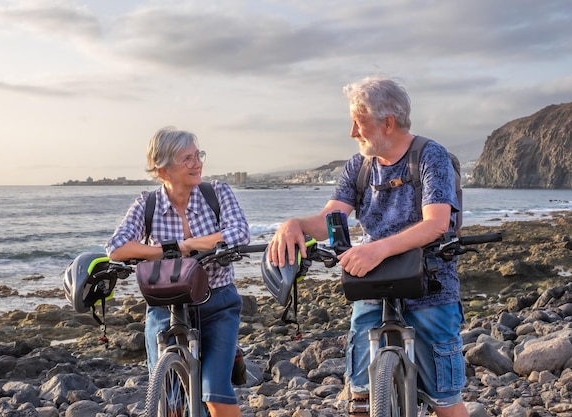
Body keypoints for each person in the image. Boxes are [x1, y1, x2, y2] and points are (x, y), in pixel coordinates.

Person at [268, 76, 466, 417]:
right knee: (360, 396)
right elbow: (332, 219)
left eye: (358, 123)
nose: (352, 133)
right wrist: (295, 225)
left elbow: (436, 224)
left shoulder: (430, 157)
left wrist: (376, 249)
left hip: (431, 284)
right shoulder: (358, 166)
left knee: (444, 399)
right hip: (371, 284)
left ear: (387, 123)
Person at [106, 127, 250, 417]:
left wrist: (194, 245)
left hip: (218, 302)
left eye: (198, 156)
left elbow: (239, 233)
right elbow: (117, 248)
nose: (197, 164)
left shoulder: (217, 193)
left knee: (214, 390)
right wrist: (171, 249)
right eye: (187, 159)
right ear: (163, 171)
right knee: (170, 400)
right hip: (165, 305)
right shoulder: (147, 204)